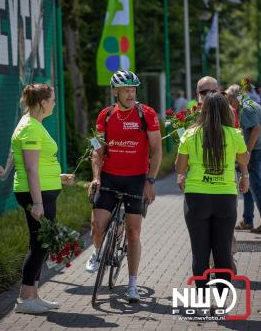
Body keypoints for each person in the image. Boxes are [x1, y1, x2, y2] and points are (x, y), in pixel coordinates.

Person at [86, 70, 162, 303]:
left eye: (133, 89)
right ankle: (98, 252)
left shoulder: (146, 114)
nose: (131, 94)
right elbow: (96, 151)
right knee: (97, 226)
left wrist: (150, 180)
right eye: (126, 90)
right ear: (115, 92)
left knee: (133, 232)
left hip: (136, 179)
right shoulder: (106, 115)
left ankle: (132, 284)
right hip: (109, 177)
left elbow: (157, 150)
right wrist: (96, 177)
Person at [175, 92, 249, 303]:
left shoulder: (190, 134)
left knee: (200, 252)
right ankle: (221, 298)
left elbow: (179, 167)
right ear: (226, 111)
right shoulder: (234, 134)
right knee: (223, 251)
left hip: (196, 198)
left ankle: (204, 299)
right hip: (225, 198)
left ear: (203, 110)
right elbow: (244, 158)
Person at [11, 83, 74, 314]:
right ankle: (25, 299)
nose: (55, 103)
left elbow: (39, 165)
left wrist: (58, 176)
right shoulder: (30, 128)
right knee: (39, 245)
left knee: (39, 244)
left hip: (42, 192)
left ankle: (32, 296)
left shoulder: (35, 125)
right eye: (53, 99)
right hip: (35, 195)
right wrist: (37, 202)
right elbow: (29, 168)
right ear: (42, 103)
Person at [226, 84, 261, 233]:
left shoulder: (246, 108)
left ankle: (249, 220)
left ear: (234, 98)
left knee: (256, 188)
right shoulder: (251, 103)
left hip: (254, 152)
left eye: (230, 100)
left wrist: (247, 150)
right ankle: (247, 219)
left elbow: (256, 128)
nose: (229, 103)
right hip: (255, 151)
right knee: (248, 187)